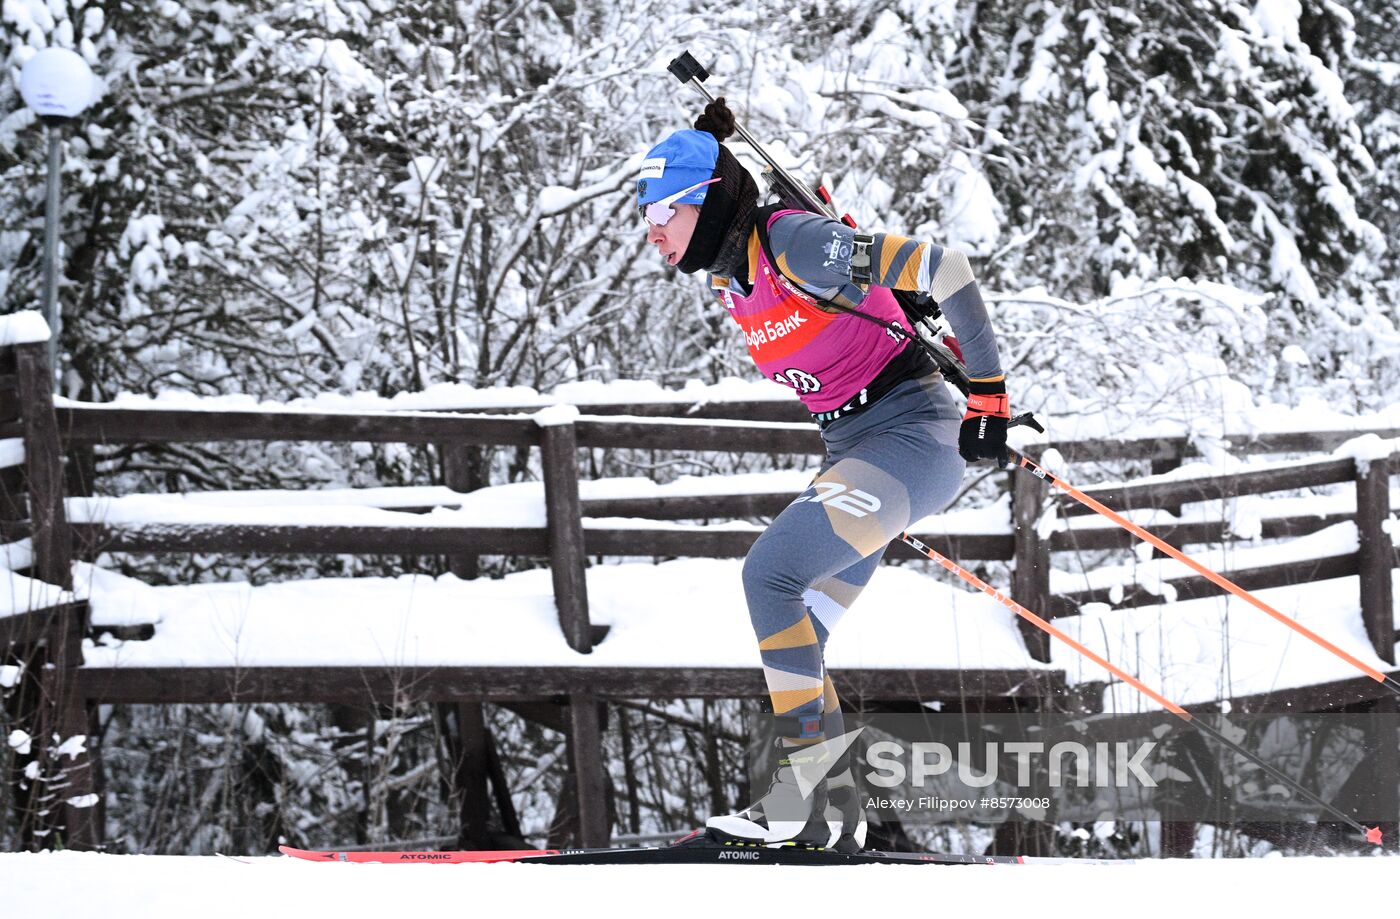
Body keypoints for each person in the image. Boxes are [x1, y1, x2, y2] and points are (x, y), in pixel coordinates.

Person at [637, 99, 1011, 853]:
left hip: (913, 436)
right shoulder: (733, 278)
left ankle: (806, 804)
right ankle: (829, 806)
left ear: (704, 203)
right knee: (798, 614)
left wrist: (989, 395)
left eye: (663, 211)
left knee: (770, 574)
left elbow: (946, 267)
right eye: (646, 215)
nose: (651, 230)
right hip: (857, 452)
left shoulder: (794, 245)